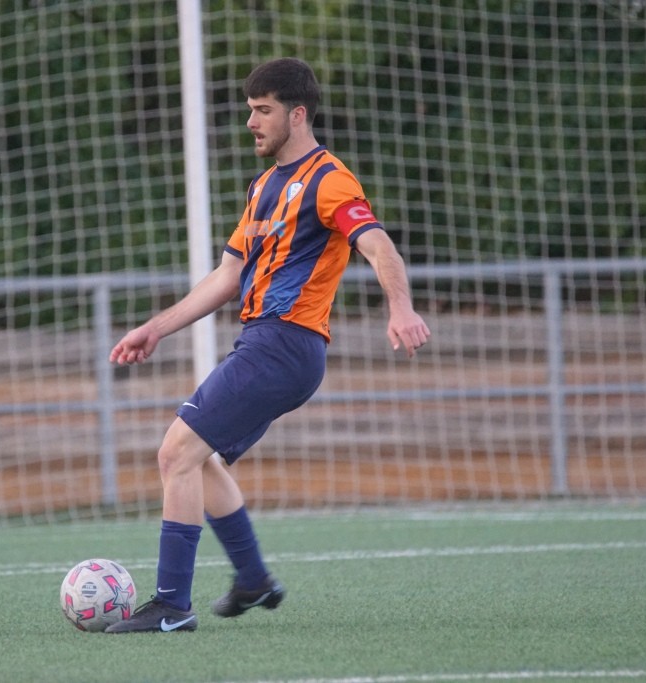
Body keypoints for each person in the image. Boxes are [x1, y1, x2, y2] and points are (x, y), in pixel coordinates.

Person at [104, 57, 431, 633]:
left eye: (263, 111)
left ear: (297, 114)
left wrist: (400, 306)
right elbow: (227, 276)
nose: (251, 122)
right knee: (197, 459)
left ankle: (172, 607)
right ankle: (253, 579)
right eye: (250, 110)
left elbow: (379, 246)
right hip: (265, 342)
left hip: (285, 343)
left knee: (175, 453)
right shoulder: (262, 187)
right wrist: (156, 328)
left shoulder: (331, 179)